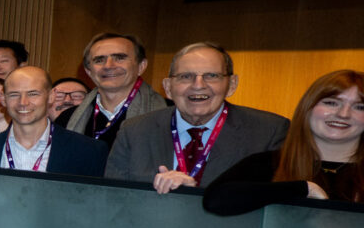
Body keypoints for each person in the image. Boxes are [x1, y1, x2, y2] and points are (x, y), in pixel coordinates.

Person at [108, 42, 289, 190]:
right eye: (186, 76)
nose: (198, 85)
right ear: (168, 87)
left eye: (211, 75)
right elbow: (113, 201)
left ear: (232, 84)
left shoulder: (269, 132)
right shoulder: (134, 132)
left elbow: (278, 206)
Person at [204, 69, 362, 213]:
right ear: (308, 108)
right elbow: (215, 200)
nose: (343, 114)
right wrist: (303, 188)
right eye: (331, 103)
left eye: (360, 107)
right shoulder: (269, 163)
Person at [0, 66, 109, 176]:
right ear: (3, 99)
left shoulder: (88, 151)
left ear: (51, 96)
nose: (23, 102)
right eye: (14, 94)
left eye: (33, 94)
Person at [61, 32, 157, 143]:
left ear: (141, 66)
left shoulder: (167, 114)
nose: (108, 66)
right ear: (88, 71)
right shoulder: (66, 120)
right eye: (99, 60)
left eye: (119, 58)